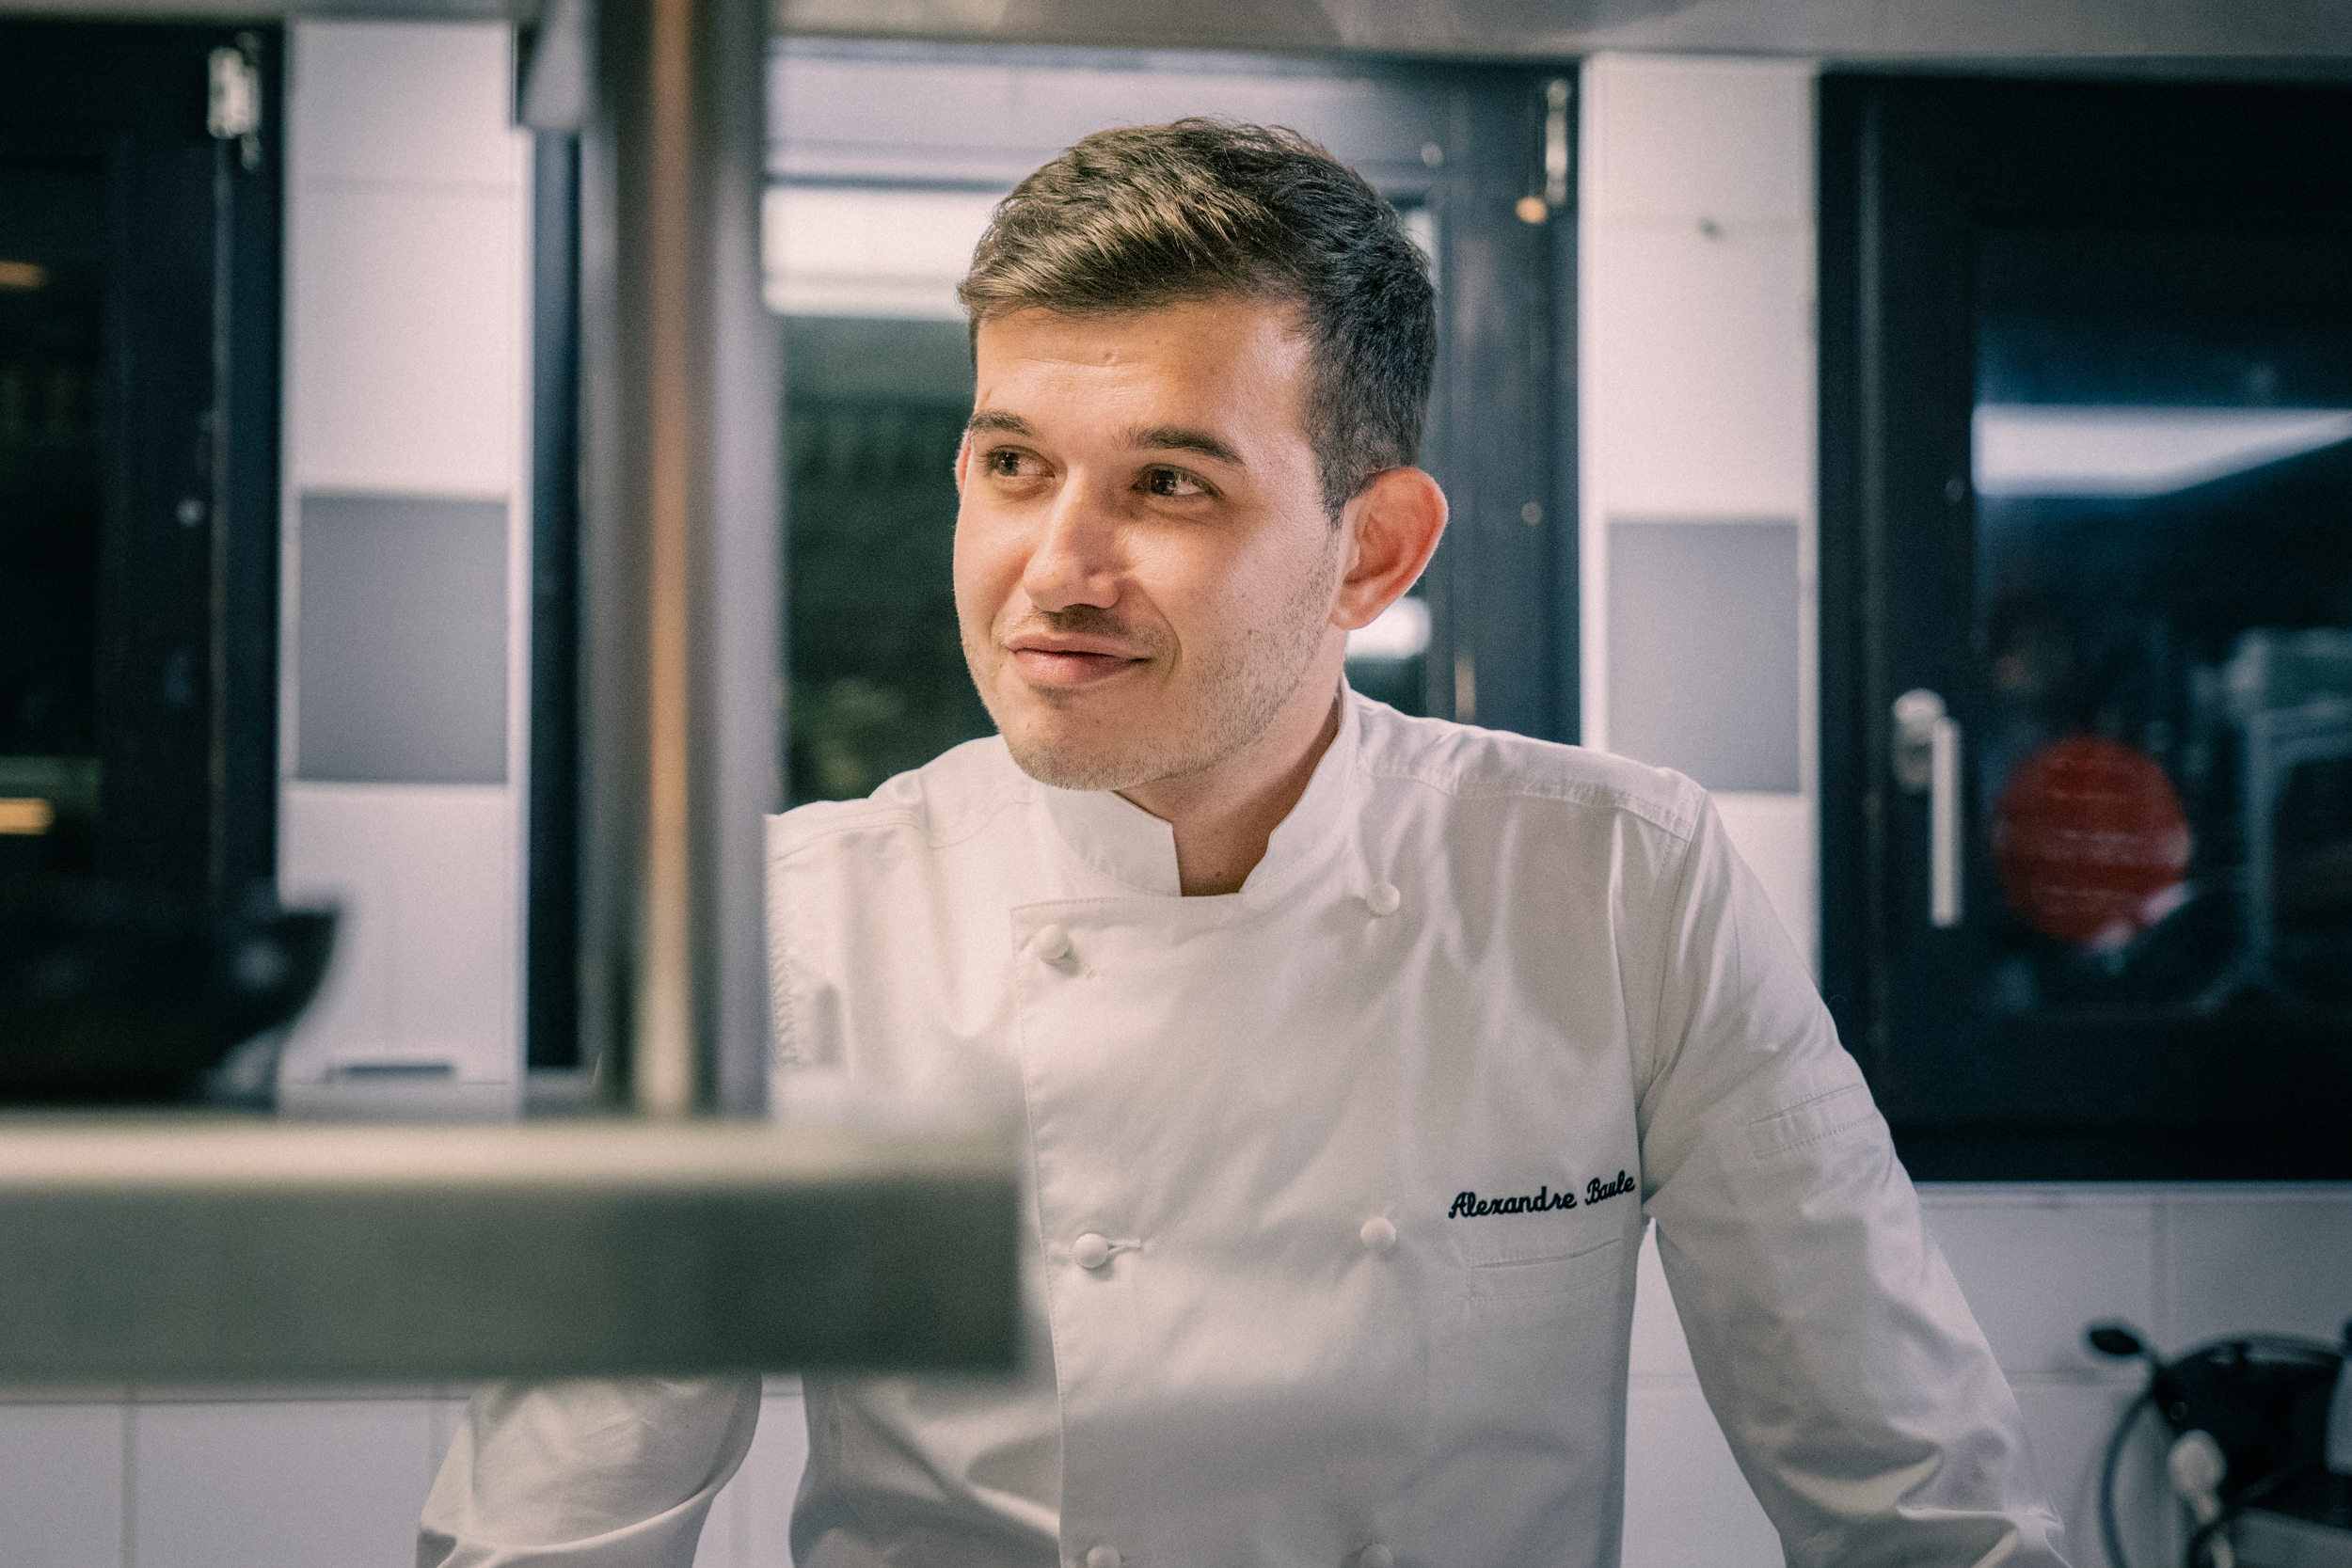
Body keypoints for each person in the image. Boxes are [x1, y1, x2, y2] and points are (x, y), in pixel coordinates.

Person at [421, 119, 2069, 1568]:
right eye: (1013, 466)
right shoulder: (782, 929)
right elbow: (547, 1532)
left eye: (1169, 484)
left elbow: (1922, 1502)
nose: (1056, 569)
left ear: (1374, 552)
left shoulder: (1621, 883)